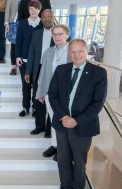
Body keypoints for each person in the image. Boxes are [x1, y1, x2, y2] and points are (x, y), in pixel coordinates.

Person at [48, 38, 107, 189]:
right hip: (62, 124)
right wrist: (64, 116)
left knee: (79, 163)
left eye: (80, 51)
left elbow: (97, 103)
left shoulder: (99, 73)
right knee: (63, 160)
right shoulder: (61, 70)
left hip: (83, 126)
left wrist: (76, 120)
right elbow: (52, 95)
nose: (77, 55)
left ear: (87, 51)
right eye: (73, 51)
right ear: (69, 53)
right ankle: (65, 186)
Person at [35, 24, 71, 162]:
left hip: (67, 94)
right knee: (54, 120)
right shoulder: (49, 52)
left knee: (65, 121)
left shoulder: (72, 51)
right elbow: (43, 73)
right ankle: (55, 145)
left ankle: (64, 149)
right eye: (54, 34)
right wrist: (41, 92)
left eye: (60, 34)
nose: (56, 37)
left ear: (67, 35)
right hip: (51, 93)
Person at [25, 9, 55, 134]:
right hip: (39, 69)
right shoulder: (36, 34)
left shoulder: (59, 33)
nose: (47, 19)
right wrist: (28, 71)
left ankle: (49, 129)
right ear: (41, 19)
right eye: (44, 17)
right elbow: (31, 54)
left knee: (52, 100)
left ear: (53, 18)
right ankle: (40, 126)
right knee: (38, 99)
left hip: (53, 70)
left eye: (49, 17)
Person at [15, 1, 44, 118]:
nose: (33, 11)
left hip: (38, 61)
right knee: (25, 85)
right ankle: (25, 107)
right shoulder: (22, 23)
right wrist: (17, 56)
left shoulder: (42, 24)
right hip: (24, 60)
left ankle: (36, 107)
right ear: (28, 10)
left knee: (36, 85)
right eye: (31, 9)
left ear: (39, 10)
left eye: (35, 9)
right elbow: (18, 41)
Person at [5, 0, 30, 74]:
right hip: (14, 23)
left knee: (25, 45)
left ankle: (23, 66)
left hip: (27, 24)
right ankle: (14, 67)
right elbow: (7, 9)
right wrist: (6, 23)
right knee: (14, 46)